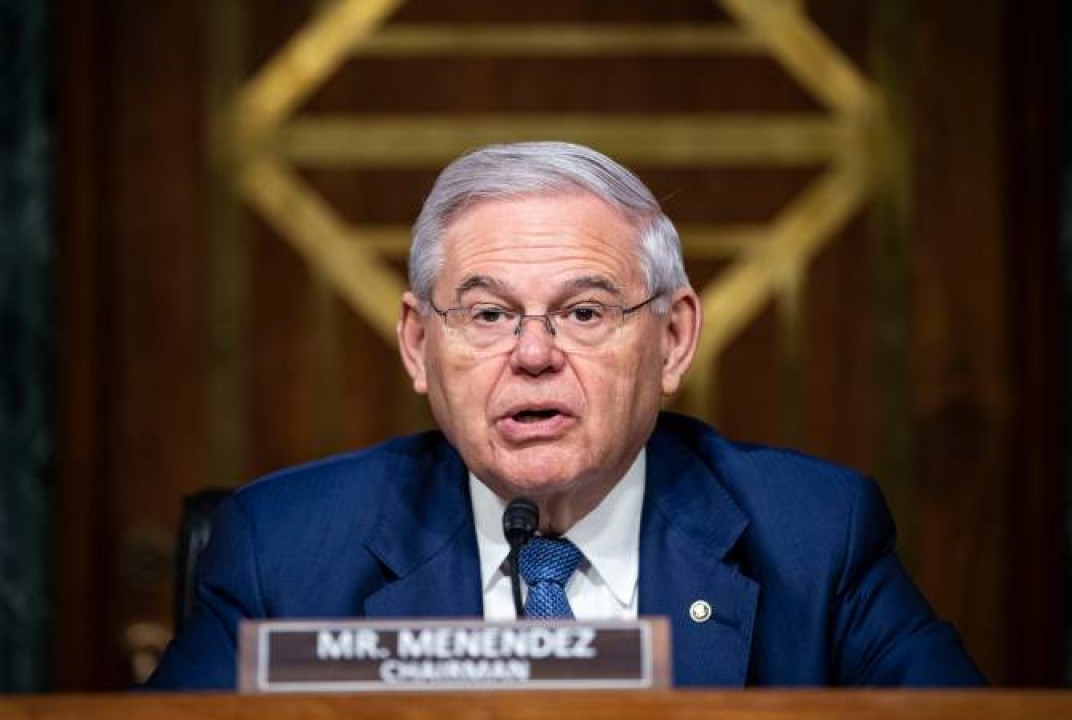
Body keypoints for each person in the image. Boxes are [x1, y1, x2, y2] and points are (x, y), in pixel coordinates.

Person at [147, 141, 984, 688]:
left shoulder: (813, 537)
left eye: (585, 312)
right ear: (418, 343)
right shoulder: (285, 552)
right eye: (487, 314)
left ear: (673, 339)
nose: (535, 354)